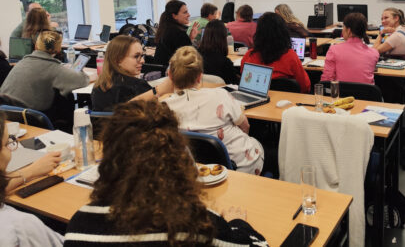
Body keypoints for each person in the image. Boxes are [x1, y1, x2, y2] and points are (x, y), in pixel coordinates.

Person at [64, 100, 267, 246]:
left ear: (111, 155)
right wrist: (238, 223)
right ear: (176, 155)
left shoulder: (78, 225)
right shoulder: (198, 224)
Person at [164, 46, 263, 175]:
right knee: (258, 143)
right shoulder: (220, 95)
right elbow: (245, 127)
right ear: (200, 76)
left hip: (192, 170)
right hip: (239, 169)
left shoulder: (163, 108)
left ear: (170, 75)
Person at [0, 112, 64, 246]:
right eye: (6, 144)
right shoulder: (20, 227)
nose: (11, 150)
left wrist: (30, 171)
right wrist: (31, 171)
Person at [0, 30, 89, 112]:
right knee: (67, 97)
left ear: (36, 46)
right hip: (31, 116)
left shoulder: (22, 62)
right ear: (58, 49)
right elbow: (82, 80)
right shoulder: (54, 68)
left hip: (5, 112)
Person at [91, 35, 174, 112]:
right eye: (136, 56)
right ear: (118, 60)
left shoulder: (99, 86)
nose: (142, 61)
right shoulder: (137, 86)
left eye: (142, 56)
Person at [241, 12, 310, 93]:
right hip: (285, 99)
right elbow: (305, 86)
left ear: (258, 33)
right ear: (283, 32)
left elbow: (244, 81)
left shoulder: (249, 55)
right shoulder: (290, 56)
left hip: (255, 98)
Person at [321, 13, 380, 84]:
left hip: (341, 91)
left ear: (348, 30)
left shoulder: (334, 49)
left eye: (343, 27)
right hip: (366, 91)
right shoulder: (374, 53)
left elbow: (327, 79)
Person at [154, 0, 199, 67]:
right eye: (185, 12)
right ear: (174, 16)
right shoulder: (178, 33)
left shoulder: (166, 29)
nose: (189, 15)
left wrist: (190, 38)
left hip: (164, 70)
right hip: (175, 71)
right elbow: (189, 58)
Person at [198, 20, 239, 85]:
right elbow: (235, 83)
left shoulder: (196, 57)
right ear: (223, 38)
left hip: (201, 89)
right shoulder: (225, 63)